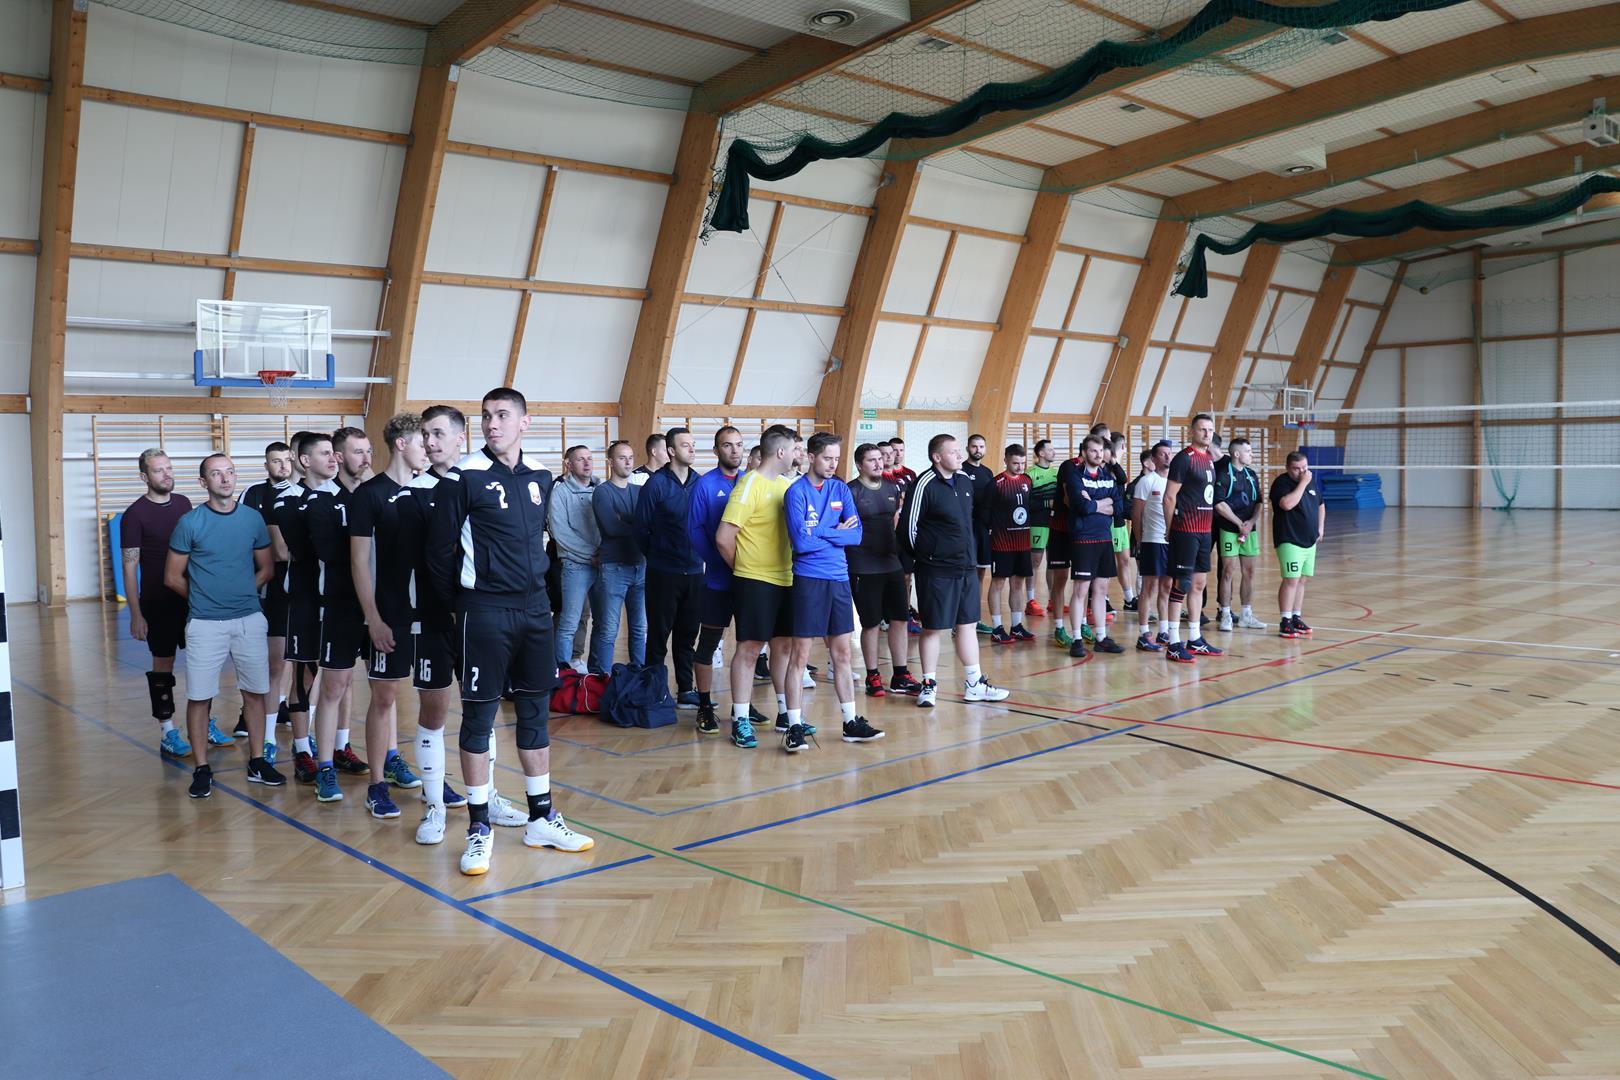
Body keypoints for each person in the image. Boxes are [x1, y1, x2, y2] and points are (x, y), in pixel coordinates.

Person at [427, 387, 594, 877]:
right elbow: (437, 556)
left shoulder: (541, 475)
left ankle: (541, 818)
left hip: (535, 611)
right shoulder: (462, 477)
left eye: (502, 415)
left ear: (524, 422)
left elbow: (541, 544)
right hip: (483, 612)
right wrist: (459, 609)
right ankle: (479, 826)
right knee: (478, 718)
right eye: (486, 416)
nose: (492, 424)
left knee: (535, 714)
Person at [164, 454, 284, 798]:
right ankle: (202, 768)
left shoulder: (252, 519)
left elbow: (267, 568)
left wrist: (244, 592)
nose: (225, 478)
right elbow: (172, 577)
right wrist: (205, 598)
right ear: (204, 483)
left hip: (249, 620)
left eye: (229, 472)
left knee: (256, 693)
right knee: (200, 697)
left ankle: (257, 761)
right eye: (216, 474)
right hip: (204, 623)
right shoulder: (190, 522)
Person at [396, 405, 473, 845]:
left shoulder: (478, 482)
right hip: (431, 618)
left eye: (439, 433)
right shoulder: (413, 494)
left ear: (461, 437)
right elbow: (417, 563)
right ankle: (434, 805)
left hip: (479, 616)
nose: (430, 441)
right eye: (425, 434)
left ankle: (487, 797)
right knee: (434, 712)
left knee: (481, 708)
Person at [349, 413, 428, 821]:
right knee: (384, 698)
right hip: (389, 615)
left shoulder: (432, 490)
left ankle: (433, 779)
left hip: (427, 615)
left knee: (434, 699)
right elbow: (359, 562)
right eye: (421, 442)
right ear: (401, 444)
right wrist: (374, 619)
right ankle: (377, 784)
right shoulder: (370, 495)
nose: (428, 449)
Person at [784, 432, 882, 749]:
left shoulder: (840, 489)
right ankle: (794, 726)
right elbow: (800, 543)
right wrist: (835, 531)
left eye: (837, 459)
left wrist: (820, 532)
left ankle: (850, 722)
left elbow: (856, 536)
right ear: (811, 457)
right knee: (800, 656)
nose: (832, 464)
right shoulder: (796, 492)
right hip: (809, 579)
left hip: (839, 578)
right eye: (827, 458)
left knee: (841, 654)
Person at [898, 434, 1009, 708]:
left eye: (960, 451)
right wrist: (929, 556)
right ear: (937, 457)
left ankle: (974, 684)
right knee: (933, 628)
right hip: (936, 569)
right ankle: (929, 685)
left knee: (967, 625)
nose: (960, 456)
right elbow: (908, 529)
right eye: (953, 452)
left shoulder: (963, 481)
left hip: (966, 567)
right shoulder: (924, 484)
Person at [121, 448, 212, 756]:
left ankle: (205, 723)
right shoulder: (135, 515)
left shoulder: (184, 503)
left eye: (169, 468)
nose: (166, 474)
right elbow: (129, 568)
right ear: (144, 477)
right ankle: (168, 731)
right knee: (164, 665)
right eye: (158, 470)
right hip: (158, 603)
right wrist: (136, 614)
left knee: (203, 662)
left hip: (191, 598)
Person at [716, 427, 796, 749]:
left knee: (783, 647)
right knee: (750, 649)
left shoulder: (786, 486)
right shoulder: (750, 484)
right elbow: (723, 538)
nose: (797, 455)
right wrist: (746, 570)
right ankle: (741, 719)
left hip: (786, 578)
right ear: (781, 452)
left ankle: (785, 713)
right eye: (794, 449)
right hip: (754, 580)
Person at [305, 427, 373, 802]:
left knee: (383, 688)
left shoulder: (376, 494)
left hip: (377, 607)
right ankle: (325, 767)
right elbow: (335, 556)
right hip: (340, 605)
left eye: (368, 451)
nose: (366, 458)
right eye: (357, 452)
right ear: (339, 457)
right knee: (334, 686)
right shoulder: (322, 501)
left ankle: (388, 759)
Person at [270, 432, 333, 784]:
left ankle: (336, 745)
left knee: (337, 678)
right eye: (325, 453)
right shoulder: (289, 499)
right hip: (305, 598)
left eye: (334, 452)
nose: (333, 458)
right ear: (305, 461)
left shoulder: (341, 495)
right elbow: (300, 548)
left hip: (336, 599)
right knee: (303, 673)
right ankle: (301, 748)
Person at [633, 427, 703, 707]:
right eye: (686, 445)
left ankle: (685, 690)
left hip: (695, 572)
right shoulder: (656, 484)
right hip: (663, 572)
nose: (692, 449)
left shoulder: (699, 482)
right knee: (658, 637)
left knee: (687, 637)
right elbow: (641, 528)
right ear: (671, 451)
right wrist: (659, 556)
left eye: (693, 444)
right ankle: (653, 692)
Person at [686, 426, 748, 735]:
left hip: (750, 580)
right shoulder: (705, 485)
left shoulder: (751, 481)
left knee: (749, 647)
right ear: (716, 450)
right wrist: (721, 560)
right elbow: (695, 531)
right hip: (718, 582)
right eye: (727, 445)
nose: (734, 450)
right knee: (708, 645)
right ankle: (705, 705)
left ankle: (742, 709)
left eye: (738, 445)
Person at [848, 443, 919, 697]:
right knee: (871, 624)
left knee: (900, 619)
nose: (879, 463)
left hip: (891, 564)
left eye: (880, 458)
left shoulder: (892, 488)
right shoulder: (851, 491)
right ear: (859, 465)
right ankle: (873, 676)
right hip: (863, 567)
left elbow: (896, 523)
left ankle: (900, 675)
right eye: (872, 460)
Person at [238, 441, 296, 753]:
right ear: (266, 465)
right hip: (259, 586)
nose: (283, 466)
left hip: (292, 587)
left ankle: (282, 703)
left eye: (286, 460)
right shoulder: (253, 494)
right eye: (276, 461)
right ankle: (246, 711)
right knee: (260, 655)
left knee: (288, 655)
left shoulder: (301, 493)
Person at [1162, 414, 1225, 664]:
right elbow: (1169, 497)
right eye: (1202, 429)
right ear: (1192, 432)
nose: (1207, 434)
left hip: (1204, 530)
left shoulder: (1208, 458)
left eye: (1210, 430)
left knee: (1199, 584)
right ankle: (1173, 642)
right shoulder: (1183, 458)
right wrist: (1171, 528)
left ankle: (1195, 638)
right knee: (1182, 584)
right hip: (1185, 530)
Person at [1065, 436, 1125, 658]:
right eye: (1093, 451)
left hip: (1104, 539)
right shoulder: (1075, 476)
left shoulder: (1108, 477)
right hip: (1083, 539)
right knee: (1081, 590)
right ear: (1084, 452)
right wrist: (1103, 503)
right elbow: (1082, 506)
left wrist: (1094, 504)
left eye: (1101, 451)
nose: (1099, 455)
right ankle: (1077, 639)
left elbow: (1119, 508)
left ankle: (1101, 638)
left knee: (1101, 590)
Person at [591, 440, 647, 676]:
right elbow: (611, 527)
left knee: (640, 628)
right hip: (614, 568)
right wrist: (638, 524)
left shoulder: (639, 491)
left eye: (631, 457)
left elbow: (650, 523)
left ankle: (639, 677)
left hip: (640, 566)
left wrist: (627, 520)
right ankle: (602, 679)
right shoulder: (602, 492)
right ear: (611, 462)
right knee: (608, 629)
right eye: (622, 458)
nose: (628, 462)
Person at [549, 445, 603, 673]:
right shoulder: (559, 492)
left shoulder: (602, 489)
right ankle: (561, 670)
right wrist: (591, 555)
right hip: (575, 565)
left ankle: (588, 667)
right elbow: (560, 533)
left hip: (602, 564)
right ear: (568, 465)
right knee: (569, 621)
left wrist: (604, 554)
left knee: (599, 621)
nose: (587, 463)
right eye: (580, 459)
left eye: (589, 458)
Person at [1214, 436, 1267, 632]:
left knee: (1249, 572)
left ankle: (1246, 614)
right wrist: (1238, 524)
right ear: (1236, 454)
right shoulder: (1223, 474)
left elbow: (1259, 501)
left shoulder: (1251, 475)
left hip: (1249, 530)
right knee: (1228, 571)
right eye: (1248, 451)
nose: (1251, 455)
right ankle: (1226, 614)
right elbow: (1219, 504)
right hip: (1229, 529)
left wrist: (1251, 522)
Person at [1270, 452, 1325, 639]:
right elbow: (1287, 504)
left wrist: (1320, 528)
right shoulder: (1281, 483)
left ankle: (1296, 617)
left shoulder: (1311, 482)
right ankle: (1285, 621)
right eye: (1296, 468)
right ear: (1287, 468)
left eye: (1304, 468)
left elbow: (1321, 504)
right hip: (1289, 539)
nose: (1302, 472)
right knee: (1291, 580)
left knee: (1302, 580)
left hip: (1309, 540)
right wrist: (1302, 483)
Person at [987, 444, 1035, 645]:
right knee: (998, 583)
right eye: (1015, 463)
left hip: (1022, 543)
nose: (1020, 467)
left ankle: (1016, 626)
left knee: (1018, 583)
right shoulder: (996, 483)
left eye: (1023, 463)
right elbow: (985, 512)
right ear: (1005, 460)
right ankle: (997, 628)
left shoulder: (1027, 480)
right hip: (1002, 543)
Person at [1130, 443, 1172, 652]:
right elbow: (1136, 514)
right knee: (1149, 587)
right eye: (1163, 454)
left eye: (1169, 454)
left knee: (1167, 587)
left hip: (1171, 542)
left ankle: (1163, 631)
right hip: (1152, 541)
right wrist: (1140, 540)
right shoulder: (1146, 482)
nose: (1167, 457)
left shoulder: (1174, 482)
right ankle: (1144, 633)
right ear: (1154, 459)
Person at [960, 434, 996, 636]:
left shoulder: (987, 472)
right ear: (968, 448)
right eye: (974, 446)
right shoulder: (961, 471)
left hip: (983, 530)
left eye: (981, 446)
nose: (978, 450)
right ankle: (960, 620)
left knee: (980, 573)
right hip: (966, 530)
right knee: (967, 573)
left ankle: (975, 618)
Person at [1023, 439, 1058, 617]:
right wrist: (1046, 503)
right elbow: (1025, 502)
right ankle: (1031, 601)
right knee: (1035, 562)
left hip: (1054, 523)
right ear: (1041, 453)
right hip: (1037, 523)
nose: (1054, 452)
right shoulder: (1030, 474)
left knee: (1054, 562)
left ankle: (1053, 600)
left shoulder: (1056, 473)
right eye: (1050, 450)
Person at [1049, 444, 1078, 649]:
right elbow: (1069, 499)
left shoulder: (1101, 471)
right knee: (1061, 578)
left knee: (1084, 582)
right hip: (1061, 528)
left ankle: (1082, 624)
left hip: (1082, 531)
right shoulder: (1069, 466)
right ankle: (1059, 627)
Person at [1109, 433, 1137, 614]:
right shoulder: (1106, 467)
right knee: (1107, 562)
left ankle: (1129, 598)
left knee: (1124, 560)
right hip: (1109, 520)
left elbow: (1122, 478)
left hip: (1120, 522)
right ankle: (1103, 599)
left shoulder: (1117, 467)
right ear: (1123, 447)